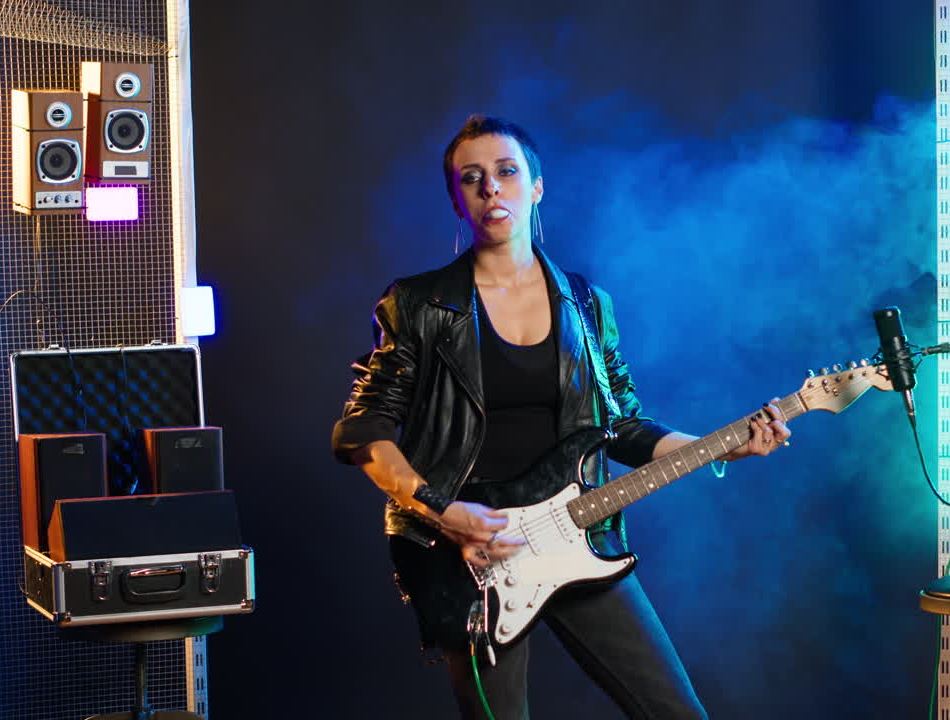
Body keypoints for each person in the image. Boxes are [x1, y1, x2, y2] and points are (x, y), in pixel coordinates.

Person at [332, 114, 791, 719]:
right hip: (468, 554)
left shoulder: (586, 305)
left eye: (506, 172)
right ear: (456, 199)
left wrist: (722, 445)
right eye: (472, 179)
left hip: (575, 533)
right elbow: (360, 431)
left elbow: (622, 427)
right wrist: (444, 514)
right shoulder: (417, 304)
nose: (491, 188)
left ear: (536, 187)